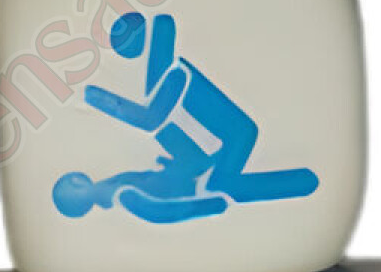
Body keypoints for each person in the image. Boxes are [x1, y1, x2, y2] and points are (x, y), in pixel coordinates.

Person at [54, 13, 319, 221]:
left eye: (71, 180)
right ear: (78, 193)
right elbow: (160, 212)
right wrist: (210, 204)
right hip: (201, 176)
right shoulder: (120, 195)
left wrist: (174, 168)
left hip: (194, 164)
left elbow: (154, 185)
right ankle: (301, 182)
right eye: (72, 186)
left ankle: (300, 182)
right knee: (235, 155)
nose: (76, 178)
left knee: (226, 145)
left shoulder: (113, 188)